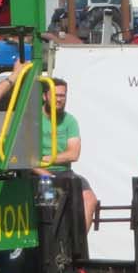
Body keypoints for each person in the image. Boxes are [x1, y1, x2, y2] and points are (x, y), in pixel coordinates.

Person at [41, 78, 99, 229]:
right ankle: (50, 248)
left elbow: (73, 154)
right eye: (55, 95)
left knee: (89, 199)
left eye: (63, 95)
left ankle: (77, 248)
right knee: (50, 203)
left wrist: (46, 159)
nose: (59, 99)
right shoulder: (33, 120)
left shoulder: (70, 121)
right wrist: (42, 169)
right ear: (45, 96)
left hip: (65, 173)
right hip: (40, 174)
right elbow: (27, 159)